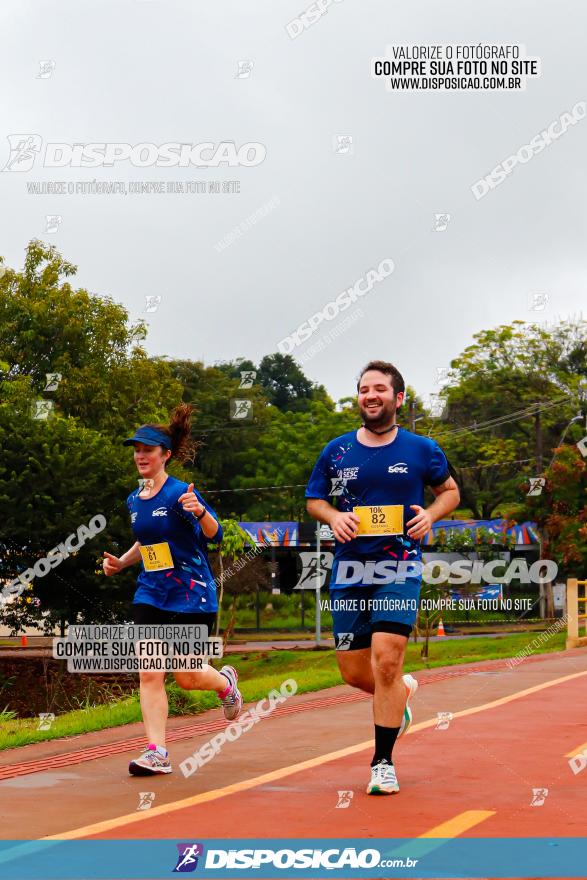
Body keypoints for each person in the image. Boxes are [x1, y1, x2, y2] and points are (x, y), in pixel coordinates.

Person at [306, 361, 460, 795]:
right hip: (350, 570)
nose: (370, 395)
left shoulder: (421, 449)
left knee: (387, 660)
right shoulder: (335, 451)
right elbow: (314, 499)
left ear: (398, 398)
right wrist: (334, 516)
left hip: (399, 565)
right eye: (363, 389)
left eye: (379, 389)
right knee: (354, 672)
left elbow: (450, 491)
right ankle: (399, 695)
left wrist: (430, 514)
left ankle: (382, 763)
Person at [103, 403, 242, 776]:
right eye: (137, 449)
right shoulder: (135, 499)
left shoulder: (182, 494)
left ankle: (225, 683)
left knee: (188, 676)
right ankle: (157, 752)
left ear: (165, 455)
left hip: (191, 595)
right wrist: (121, 561)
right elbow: (146, 543)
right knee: (149, 672)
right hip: (151, 592)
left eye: (148, 449)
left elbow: (216, 534)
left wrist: (199, 512)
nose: (140, 455)